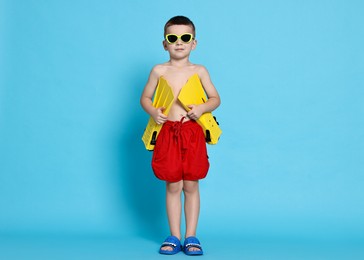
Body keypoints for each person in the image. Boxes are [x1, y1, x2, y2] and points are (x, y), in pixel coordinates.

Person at [140, 15, 221, 256]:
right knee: (173, 184)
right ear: (165, 43)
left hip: (192, 132)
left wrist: (202, 108)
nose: (179, 42)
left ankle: (191, 235)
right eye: (172, 38)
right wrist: (154, 111)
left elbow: (216, 98)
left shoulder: (199, 71)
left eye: (185, 37)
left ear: (193, 43)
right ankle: (174, 236)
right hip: (167, 132)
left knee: (191, 184)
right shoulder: (159, 70)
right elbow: (145, 98)